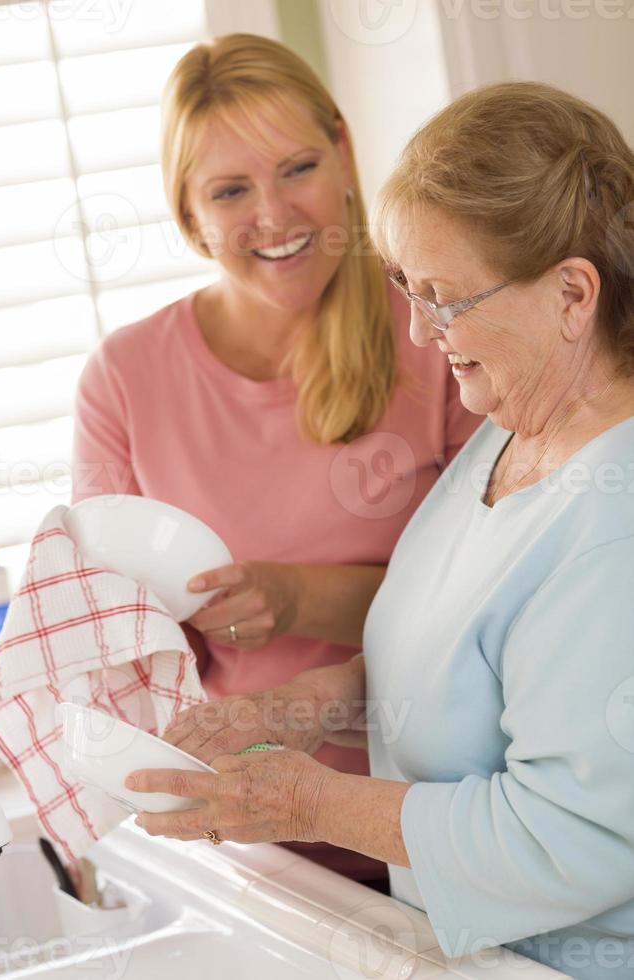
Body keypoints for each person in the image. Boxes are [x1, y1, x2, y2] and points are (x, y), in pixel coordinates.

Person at [124, 81, 634, 980]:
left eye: (445, 298)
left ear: (572, 294)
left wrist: (313, 804)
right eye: (407, 287)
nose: (418, 329)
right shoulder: (507, 430)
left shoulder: (612, 522)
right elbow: (476, 670)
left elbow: (569, 834)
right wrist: (319, 702)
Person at [71, 33, 478, 890]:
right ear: (189, 216)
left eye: (296, 168)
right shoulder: (126, 378)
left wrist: (293, 596)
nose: (275, 216)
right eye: (230, 189)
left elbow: (490, 602)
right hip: (241, 840)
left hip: (437, 817)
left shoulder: (440, 331)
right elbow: (110, 637)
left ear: (343, 152)